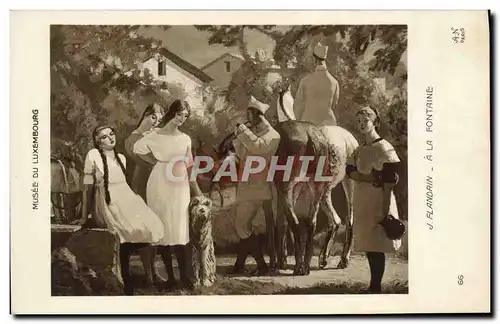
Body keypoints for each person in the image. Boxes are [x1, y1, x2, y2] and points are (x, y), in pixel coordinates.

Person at [75, 125, 165, 295]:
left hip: (126, 198)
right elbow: (88, 187)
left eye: (111, 134)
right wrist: (84, 214)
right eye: (104, 137)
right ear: (97, 142)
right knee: (123, 232)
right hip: (106, 200)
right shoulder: (93, 155)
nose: (110, 138)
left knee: (151, 225)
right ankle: (125, 278)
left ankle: (149, 276)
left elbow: (125, 187)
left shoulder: (121, 158)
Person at [133, 100, 206, 290]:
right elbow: (136, 149)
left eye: (185, 116)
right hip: (159, 184)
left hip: (179, 183)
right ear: (172, 113)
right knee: (164, 230)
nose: (182, 119)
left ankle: (185, 277)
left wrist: (196, 190)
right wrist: (156, 162)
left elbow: (189, 165)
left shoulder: (185, 138)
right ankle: (171, 279)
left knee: (180, 230)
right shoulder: (154, 135)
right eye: (179, 114)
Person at [345, 106, 403, 294]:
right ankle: (373, 286)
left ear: (375, 122)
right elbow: (349, 170)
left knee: (377, 246)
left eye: (366, 121)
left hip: (378, 201)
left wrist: (385, 211)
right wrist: (367, 178)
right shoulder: (361, 149)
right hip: (364, 201)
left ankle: (376, 287)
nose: (362, 125)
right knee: (370, 244)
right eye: (359, 122)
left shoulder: (383, 148)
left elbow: (388, 182)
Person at [229, 95, 281, 276]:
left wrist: (243, 132)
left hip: (258, 186)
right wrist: (236, 140)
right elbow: (244, 153)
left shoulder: (273, 135)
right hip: (246, 184)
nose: (248, 118)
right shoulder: (254, 133)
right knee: (243, 226)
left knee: (241, 226)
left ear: (259, 115)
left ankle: (262, 266)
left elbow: (259, 147)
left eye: (250, 114)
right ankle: (241, 265)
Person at [124, 103, 165, 287]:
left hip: (156, 184)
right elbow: (144, 160)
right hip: (140, 185)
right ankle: (148, 273)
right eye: (153, 117)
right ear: (146, 115)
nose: (155, 122)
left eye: (159, 120)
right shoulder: (131, 139)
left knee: (156, 230)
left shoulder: (155, 136)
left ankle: (154, 271)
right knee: (145, 230)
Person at [293, 42, 340, 126]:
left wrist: (298, 120)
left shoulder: (305, 81)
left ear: (315, 60)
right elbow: (334, 105)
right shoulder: (334, 82)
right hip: (329, 123)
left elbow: (298, 105)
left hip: (307, 123)